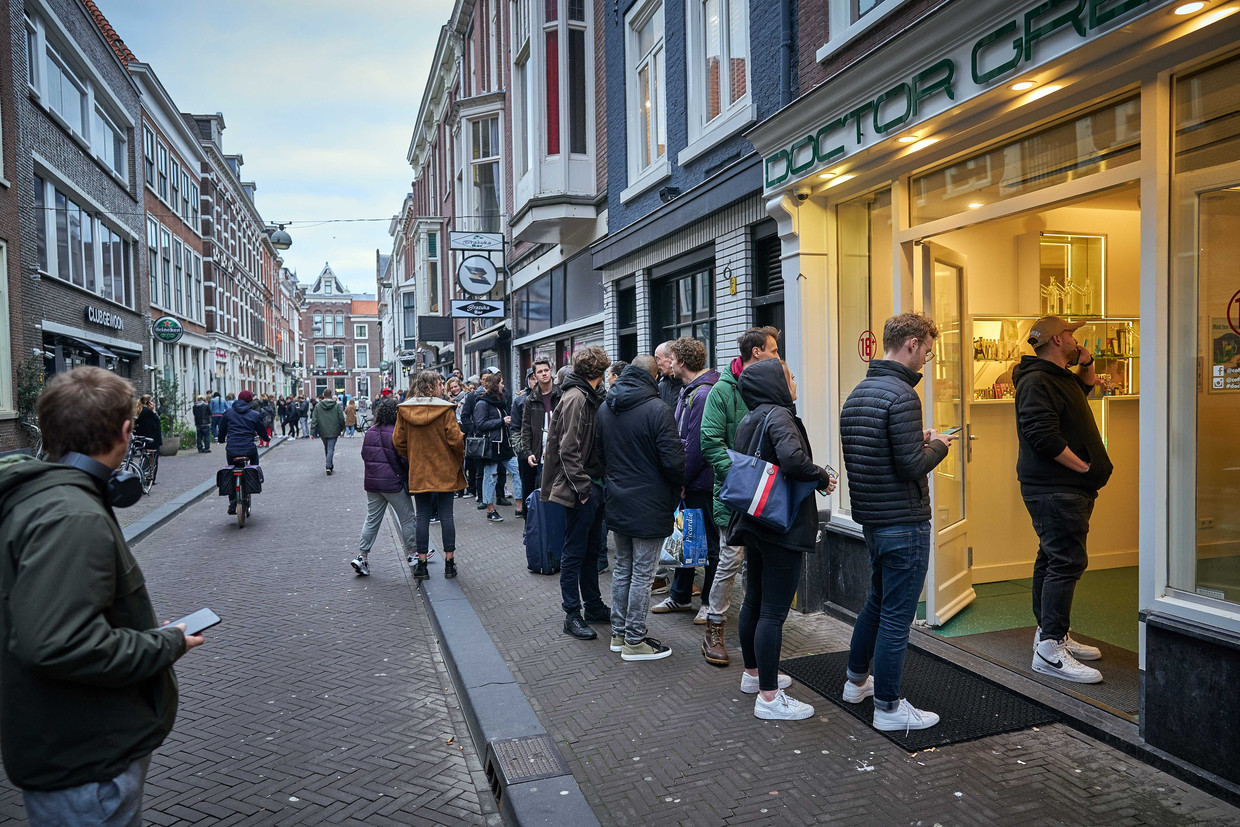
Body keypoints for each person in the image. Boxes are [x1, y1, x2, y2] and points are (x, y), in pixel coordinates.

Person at [0, 367, 203, 824]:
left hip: (62, 743)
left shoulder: (37, 497)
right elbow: (59, 642)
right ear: (126, 432)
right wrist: (164, 643)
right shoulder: (72, 517)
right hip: (87, 759)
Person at [840, 312, 953, 732]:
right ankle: (888, 707)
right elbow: (909, 467)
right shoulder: (904, 396)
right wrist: (939, 446)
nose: (927, 357)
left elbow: (874, 454)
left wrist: (915, 438)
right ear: (910, 343)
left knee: (876, 603)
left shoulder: (859, 393)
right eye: (926, 349)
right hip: (904, 523)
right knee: (896, 617)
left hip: (872, 521)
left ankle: (856, 683)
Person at [733, 358, 836, 720]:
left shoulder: (751, 417)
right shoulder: (779, 415)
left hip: (756, 521)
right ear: (775, 383)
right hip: (781, 524)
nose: (795, 382)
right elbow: (792, 459)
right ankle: (770, 698)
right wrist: (821, 477)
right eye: (789, 377)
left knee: (755, 600)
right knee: (774, 613)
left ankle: (754, 674)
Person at [1014, 315, 1113, 684]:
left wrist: (1086, 363)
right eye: (1072, 335)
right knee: (1067, 561)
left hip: (1062, 488)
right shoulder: (1039, 380)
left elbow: (1085, 389)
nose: (1076, 340)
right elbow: (1043, 436)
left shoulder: (1056, 377)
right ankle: (1050, 649)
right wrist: (1084, 469)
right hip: (1056, 488)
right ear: (1058, 339)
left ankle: (1050, 634)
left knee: (1053, 557)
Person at [699, 327, 781, 667]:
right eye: (773, 350)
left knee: (758, 561)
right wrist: (740, 477)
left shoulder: (771, 387)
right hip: (735, 495)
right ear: (757, 352)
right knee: (731, 560)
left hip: (769, 494)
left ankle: (758, 628)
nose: (778, 355)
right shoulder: (721, 391)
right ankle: (714, 628)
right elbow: (709, 442)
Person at [597, 355, 685, 661]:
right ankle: (635, 639)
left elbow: (599, 455)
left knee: (623, 568)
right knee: (643, 574)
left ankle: (618, 635)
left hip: (618, 499)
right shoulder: (658, 410)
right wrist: (677, 485)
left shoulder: (606, 407)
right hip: (650, 501)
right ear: (652, 377)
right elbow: (674, 462)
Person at [542, 346, 612, 641]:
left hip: (593, 485)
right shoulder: (577, 398)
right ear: (599, 371)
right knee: (574, 551)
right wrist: (583, 489)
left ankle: (593, 606)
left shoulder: (587, 396)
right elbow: (567, 449)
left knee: (592, 549)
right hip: (583, 488)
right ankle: (572, 614)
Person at [652, 337, 720, 623]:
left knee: (711, 544)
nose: (667, 363)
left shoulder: (703, 394)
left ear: (681, 361)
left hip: (700, 483)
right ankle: (680, 595)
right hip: (689, 481)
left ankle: (708, 602)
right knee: (686, 538)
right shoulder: (686, 391)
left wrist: (680, 479)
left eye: (671, 358)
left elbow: (695, 445)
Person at [395, 371, 467, 581]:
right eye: (439, 384)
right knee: (446, 515)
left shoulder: (404, 410)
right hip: (443, 468)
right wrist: (455, 458)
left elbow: (398, 441)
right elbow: (456, 440)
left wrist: (413, 455)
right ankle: (449, 563)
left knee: (423, 516)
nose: (442, 388)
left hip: (419, 469)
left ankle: (422, 564)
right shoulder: (445, 410)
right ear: (430, 387)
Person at [351, 397, 418, 576]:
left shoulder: (371, 431)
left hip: (373, 484)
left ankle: (362, 556)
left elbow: (365, 454)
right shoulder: (397, 432)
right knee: (408, 518)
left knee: (372, 520)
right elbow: (403, 459)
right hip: (393, 484)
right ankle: (413, 554)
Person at [473, 372, 522, 522]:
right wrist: (502, 421)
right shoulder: (482, 403)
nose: (503, 385)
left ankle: (519, 506)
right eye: (501, 383)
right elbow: (479, 424)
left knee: (518, 471)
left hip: (505, 445)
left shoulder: (501, 401)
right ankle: (490, 509)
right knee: (490, 476)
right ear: (495, 385)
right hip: (491, 446)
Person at [218, 389, 269, 515]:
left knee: (231, 470)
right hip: (249, 448)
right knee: (255, 462)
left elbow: (222, 429)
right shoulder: (254, 414)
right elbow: (262, 430)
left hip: (232, 449)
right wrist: (266, 438)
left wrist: (220, 439)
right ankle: (253, 481)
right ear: (250, 401)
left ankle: (232, 501)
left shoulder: (228, 413)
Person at [520, 360, 559, 498]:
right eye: (540, 372)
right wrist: (528, 452)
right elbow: (526, 428)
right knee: (544, 491)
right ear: (535, 376)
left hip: (560, 452)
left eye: (546, 370)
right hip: (540, 454)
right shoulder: (531, 399)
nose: (544, 374)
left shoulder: (561, 394)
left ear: (551, 371)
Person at [510, 368, 536, 518]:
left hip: (546, 452)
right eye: (532, 378)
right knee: (528, 488)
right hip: (526, 454)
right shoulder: (520, 401)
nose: (536, 381)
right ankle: (528, 522)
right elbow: (514, 428)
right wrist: (522, 451)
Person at [311, 390, 346, 474]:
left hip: (322, 430)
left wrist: (312, 432)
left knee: (327, 447)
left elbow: (314, 419)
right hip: (334, 430)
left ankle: (329, 465)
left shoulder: (318, 406)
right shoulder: (336, 406)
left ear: (323, 395)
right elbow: (341, 418)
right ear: (331, 395)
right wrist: (342, 428)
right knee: (330, 448)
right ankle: (328, 465)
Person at [134, 394, 163, 484]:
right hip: (152, 440)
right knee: (153, 460)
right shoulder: (148, 412)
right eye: (152, 400)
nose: (153, 403)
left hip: (143, 440)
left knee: (146, 459)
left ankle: (145, 477)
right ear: (148, 402)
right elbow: (156, 424)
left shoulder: (140, 411)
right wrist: (154, 411)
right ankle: (150, 479)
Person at [654, 341, 683, 407]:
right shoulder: (660, 386)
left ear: (671, 358)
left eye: (658, 359)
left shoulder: (688, 385)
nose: (656, 364)